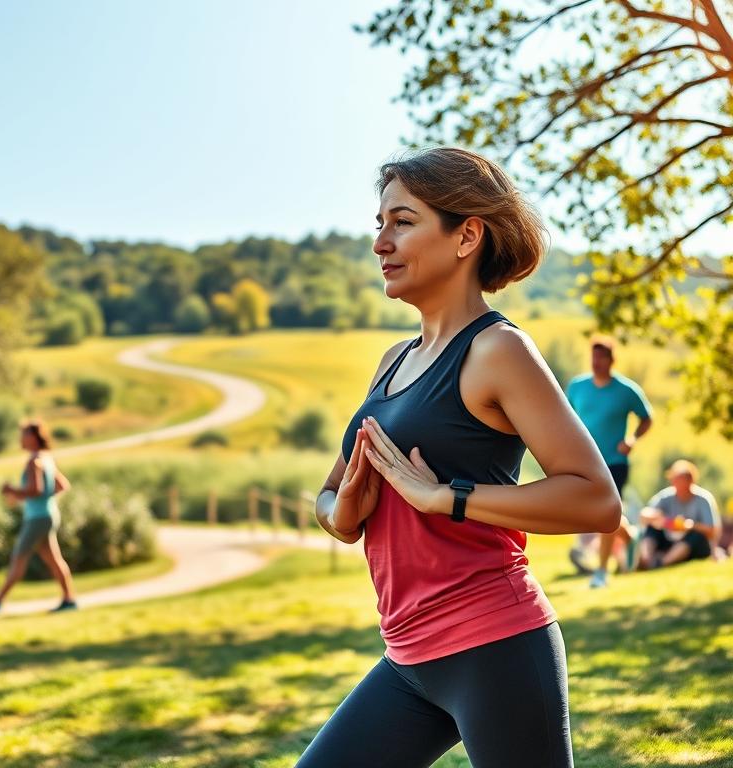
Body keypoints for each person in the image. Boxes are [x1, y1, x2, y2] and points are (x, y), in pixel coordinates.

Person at [296, 147, 621, 768]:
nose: (380, 243)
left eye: (403, 222)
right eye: (379, 224)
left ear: (466, 236)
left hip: (495, 645)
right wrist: (345, 513)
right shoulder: (393, 361)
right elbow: (329, 498)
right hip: (407, 658)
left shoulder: (497, 351)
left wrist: (446, 498)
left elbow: (596, 499)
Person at [566, 335, 653, 588]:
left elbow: (646, 418)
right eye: (593, 357)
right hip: (584, 461)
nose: (596, 362)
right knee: (594, 514)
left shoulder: (626, 390)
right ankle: (630, 537)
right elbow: (565, 418)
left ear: (611, 360)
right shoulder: (577, 386)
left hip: (615, 462)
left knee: (606, 513)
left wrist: (632, 439)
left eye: (601, 358)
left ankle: (601, 572)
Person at [0, 420, 77, 613]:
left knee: (19, 556)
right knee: (54, 560)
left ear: (33, 437)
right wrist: (35, 497)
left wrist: (12, 491)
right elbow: (60, 486)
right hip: (47, 514)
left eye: (23, 435)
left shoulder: (34, 462)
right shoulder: (46, 459)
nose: (21, 439)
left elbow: (36, 490)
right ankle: (69, 599)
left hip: (37, 518)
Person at [638, 459, 721, 569]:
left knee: (695, 536)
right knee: (652, 529)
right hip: (669, 539)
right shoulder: (666, 496)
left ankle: (662, 563)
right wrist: (661, 519)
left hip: (694, 545)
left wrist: (690, 526)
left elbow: (712, 530)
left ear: (691, 481)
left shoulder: (703, 499)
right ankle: (646, 560)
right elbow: (644, 514)